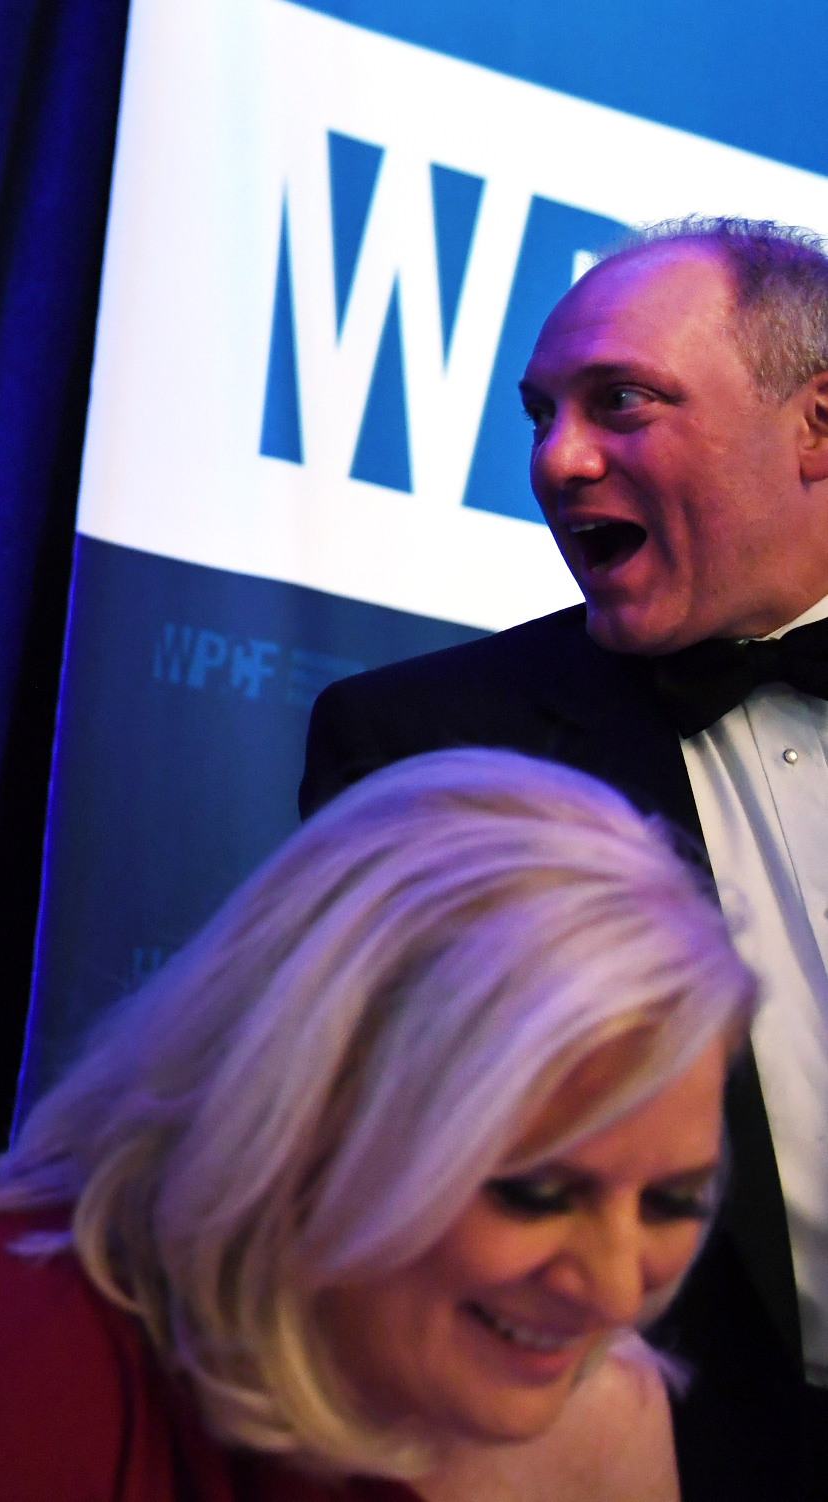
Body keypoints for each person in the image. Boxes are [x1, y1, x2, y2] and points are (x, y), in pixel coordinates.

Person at [0, 749, 754, 1502]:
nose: (616, 1287)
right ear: (313, 1113)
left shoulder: (597, 1409)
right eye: (536, 1190)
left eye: (670, 1200)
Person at [301, 217, 828, 1501]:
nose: (558, 458)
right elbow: (360, 1166)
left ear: (816, 425)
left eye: (621, 403)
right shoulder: (427, 743)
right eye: (539, 412)